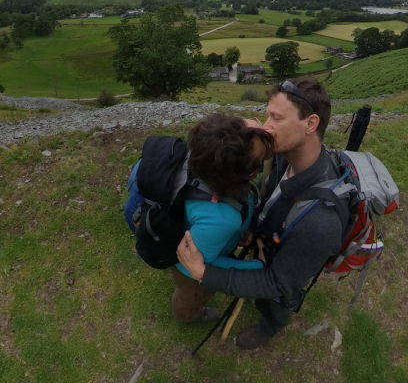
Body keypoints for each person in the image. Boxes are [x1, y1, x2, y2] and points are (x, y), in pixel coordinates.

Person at [176, 77, 344, 349]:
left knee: (274, 300)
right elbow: (268, 198)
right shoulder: (280, 155)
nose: (266, 127)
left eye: (276, 118)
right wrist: (254, 228)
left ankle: (271, 325)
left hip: (281, 270)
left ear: (310, 124)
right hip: (270, 239)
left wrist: (204, 273)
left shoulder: (321, 223)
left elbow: (277, 282)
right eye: (267, 115)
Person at [125, 113, 275, 323]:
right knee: (192, 296)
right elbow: (197, 263)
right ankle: (189, 315)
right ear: (245, 176)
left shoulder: (205, 153)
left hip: (197, 232)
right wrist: (257, 267)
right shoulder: (221, 219)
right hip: (187, 262)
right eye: (259, 163)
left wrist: (244, 229)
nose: (264, 128)